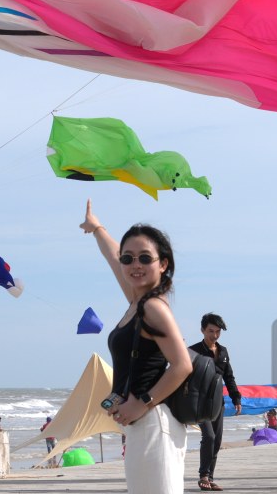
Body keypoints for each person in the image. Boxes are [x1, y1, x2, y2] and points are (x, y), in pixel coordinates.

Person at [82, 199, 192, 494]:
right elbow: (112, 257)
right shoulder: (137, 302)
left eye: (145, 258)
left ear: (163, 264)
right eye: (128, 259)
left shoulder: (153, 307)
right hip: (141, 424)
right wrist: (97, 229)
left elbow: (182, 365)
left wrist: (139, 402)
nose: (135, 265)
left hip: (153, 421)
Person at [188, 312, 241, 491]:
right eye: (211, 331)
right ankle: (203, 475)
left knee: (217, 440)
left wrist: (236, 398)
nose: (215, 335)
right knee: (209, 437)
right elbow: (182, 378)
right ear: (203, 330)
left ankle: (210, 477)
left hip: (218, 402)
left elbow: (229, 376)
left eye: (218, 332)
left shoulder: (223, 351)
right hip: (199, 402)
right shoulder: (193, 351)